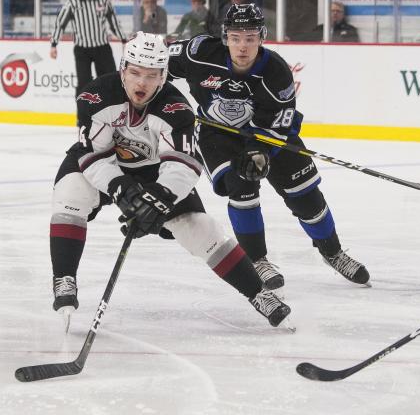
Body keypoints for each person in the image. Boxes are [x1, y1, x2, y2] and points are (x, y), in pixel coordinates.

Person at [50, 31, 290, 331]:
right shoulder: (95, 96)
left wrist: (159, 198)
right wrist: (120, 188)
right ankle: (64, 277)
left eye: (151, 75)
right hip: (103, 165)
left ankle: (259, 294)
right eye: (135, 72)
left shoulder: (176, 109)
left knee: (200, 229)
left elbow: (183, 164)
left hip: (156, 174)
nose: (141, 83)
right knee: (71, 193)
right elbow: (92, 155)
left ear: (164, 76)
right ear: (122, 68)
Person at [167, 4, 371, 292]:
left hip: (267, 135)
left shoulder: (276, 72)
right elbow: (155, 67)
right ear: (225, 37)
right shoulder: (199, 52)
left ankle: (333, 252)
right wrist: (166, 108)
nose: (242, 46)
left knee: (305, 194)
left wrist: (259, 149)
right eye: (236, 38)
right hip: (217, 135)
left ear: (261, 37)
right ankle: (258, 260)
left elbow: (281, 122)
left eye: (250, 38)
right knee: (242, 185)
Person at [50, 0, 126, 101]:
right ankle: (83, 118)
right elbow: (60, 23)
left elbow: (114, 23)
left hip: (102, 47)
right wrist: (54, 44)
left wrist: (124, 40)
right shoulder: (73, 3)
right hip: (82, 49)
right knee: (84, 84)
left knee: (111, 80)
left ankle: (114, 113)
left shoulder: (103, 1)